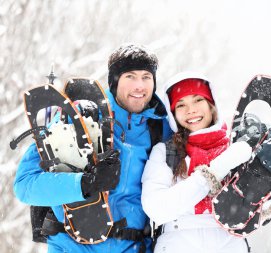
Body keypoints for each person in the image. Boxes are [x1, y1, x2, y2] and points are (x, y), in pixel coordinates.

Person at [13, 43, 171, 253]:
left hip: (133, 247)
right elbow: (25, 186)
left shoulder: (160, 127)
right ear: (114, 81)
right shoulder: (80, 118)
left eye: (146, 77)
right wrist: (85, 184)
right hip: (72, 245)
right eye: (130, 76)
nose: (139, 86)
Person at [141, 72, 254, 253]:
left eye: (198, 100)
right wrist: (214, 171)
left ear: (212, 105)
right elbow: (156, 208)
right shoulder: (166, 152)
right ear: (173, 113)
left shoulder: (236, 148)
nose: (190, 110)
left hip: (231, 244)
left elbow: (255, 211)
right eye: (181, 104)